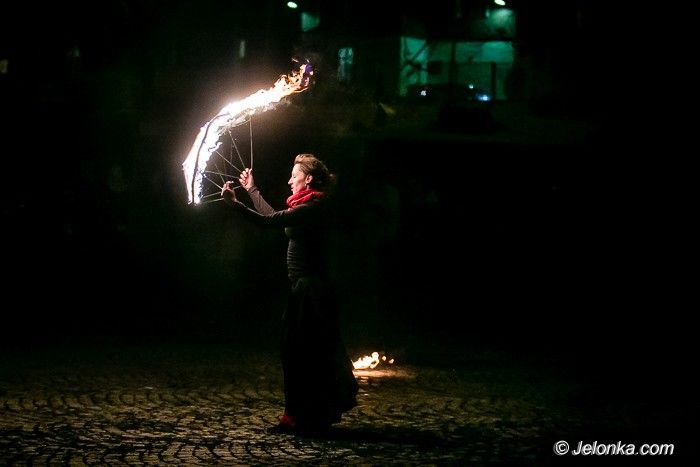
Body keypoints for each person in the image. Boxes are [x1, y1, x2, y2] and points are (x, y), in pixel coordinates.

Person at [221, 153, 359, 434]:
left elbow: (269, 222)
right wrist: (251, 190)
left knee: (300, 355)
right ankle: (310, 416)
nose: (289, 180)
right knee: (305, 354)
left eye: (294, 176)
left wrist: (235, 204)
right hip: (305, 290)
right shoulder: (307, 206)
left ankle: (300, 417)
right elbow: (274, 218)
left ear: (308, 179)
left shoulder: (313, 208)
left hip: (311, 293)